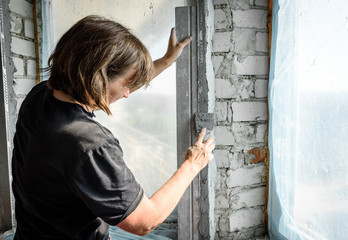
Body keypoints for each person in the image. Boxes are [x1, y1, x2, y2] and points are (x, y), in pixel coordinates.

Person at [11, 15, 215, 240]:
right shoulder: (88, 144)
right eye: (127, 83)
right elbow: (144, 222)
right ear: (96, 78)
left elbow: (104, 94)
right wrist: (192, 164)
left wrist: (166, 60)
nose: (128, 93)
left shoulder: (40, 96)